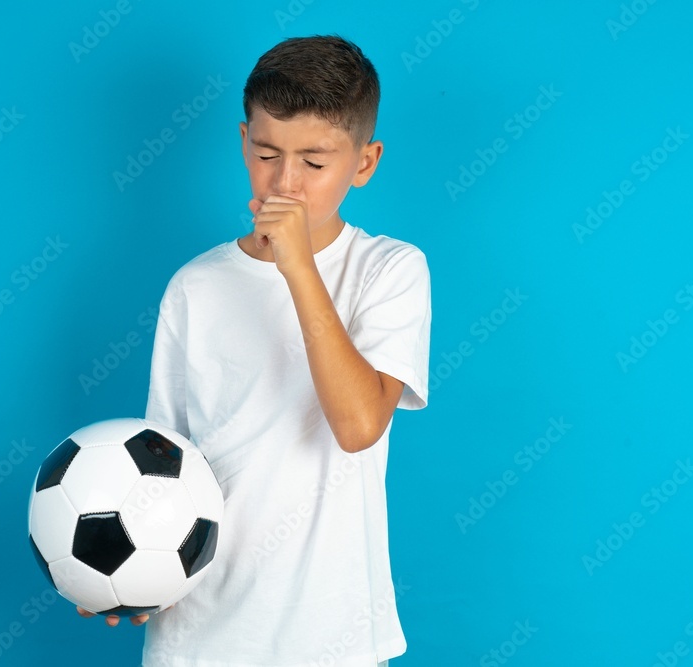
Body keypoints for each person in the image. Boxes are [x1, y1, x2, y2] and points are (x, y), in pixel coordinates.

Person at [78, 34, 431, 667]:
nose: (285, 183)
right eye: (267, 154)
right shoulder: (196, 286)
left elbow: (357, 425)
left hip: (337, 638)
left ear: (365, 162)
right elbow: (161, 465)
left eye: (315, 163)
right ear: (243, 142)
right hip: (202, 638)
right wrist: (117, 566)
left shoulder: (390, 269)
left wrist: (297, 266)